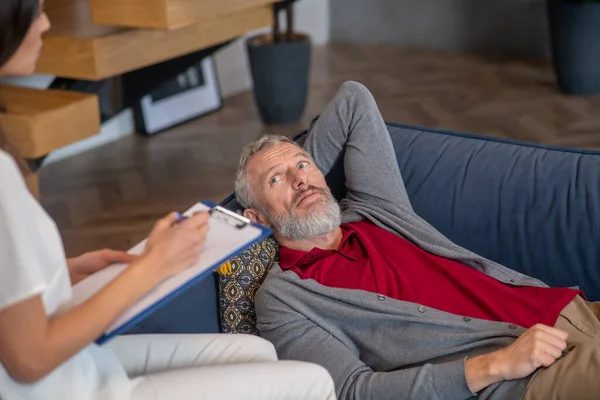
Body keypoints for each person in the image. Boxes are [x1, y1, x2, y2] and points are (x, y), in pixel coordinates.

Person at [0, 1, 336, 399]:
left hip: (74, 362)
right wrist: (153, 267)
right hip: (57, 385)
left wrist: (60, 272)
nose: (46, 23)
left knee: (259, 351)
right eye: (35, 11)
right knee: (315, 381)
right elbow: (29, 360)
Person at [234, 80, 600, 400]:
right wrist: (498, 365)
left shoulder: (375, 209)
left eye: (303, 164)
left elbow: (353, 100)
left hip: (569, 309)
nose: (300, 179)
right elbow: (351, 391)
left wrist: (297, 175)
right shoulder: (284, 298)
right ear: (257, 218)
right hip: (526, 376)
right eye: (275, 179)